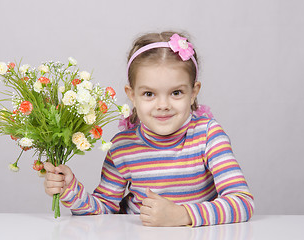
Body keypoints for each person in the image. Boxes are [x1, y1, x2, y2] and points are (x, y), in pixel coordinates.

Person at [44, 31, 254, 227]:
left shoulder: (208, 136)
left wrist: (182, 215)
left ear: (193, 93)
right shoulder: (123, 147)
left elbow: (242, 203)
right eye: (149, 94)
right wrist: (69, 189)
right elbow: (104, 211)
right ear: (132, 95)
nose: (163, 105)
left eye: (176, 92)